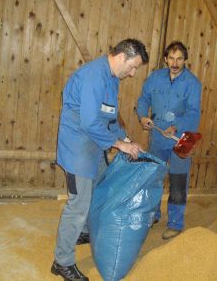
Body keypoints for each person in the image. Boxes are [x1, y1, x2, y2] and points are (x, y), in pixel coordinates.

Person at [51, 39, 149, 281]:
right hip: (77, 151)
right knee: (78, 205)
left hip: (94, 147)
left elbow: (109, 117)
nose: (133, 73)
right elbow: (89, 122)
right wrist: (119, 145)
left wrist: (125, 138)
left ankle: (84, 231)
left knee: (99, 191)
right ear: (122, 57)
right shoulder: (93, 77)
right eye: (133, 66)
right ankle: (62, 262)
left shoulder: (112, 80)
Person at [137, 41, 201, 240]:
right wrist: (142, 116)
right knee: (154, 177)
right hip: (157, 137)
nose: (175, 62)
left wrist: (176, 126)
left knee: (178, 182)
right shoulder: (155, 78)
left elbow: (193, 113)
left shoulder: (192, 83)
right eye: (171, 58)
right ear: (165, 59)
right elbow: (143, 99)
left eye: (179, 58)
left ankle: (175, 223)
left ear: (185, 60)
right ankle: (153, 216)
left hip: (181, 138)